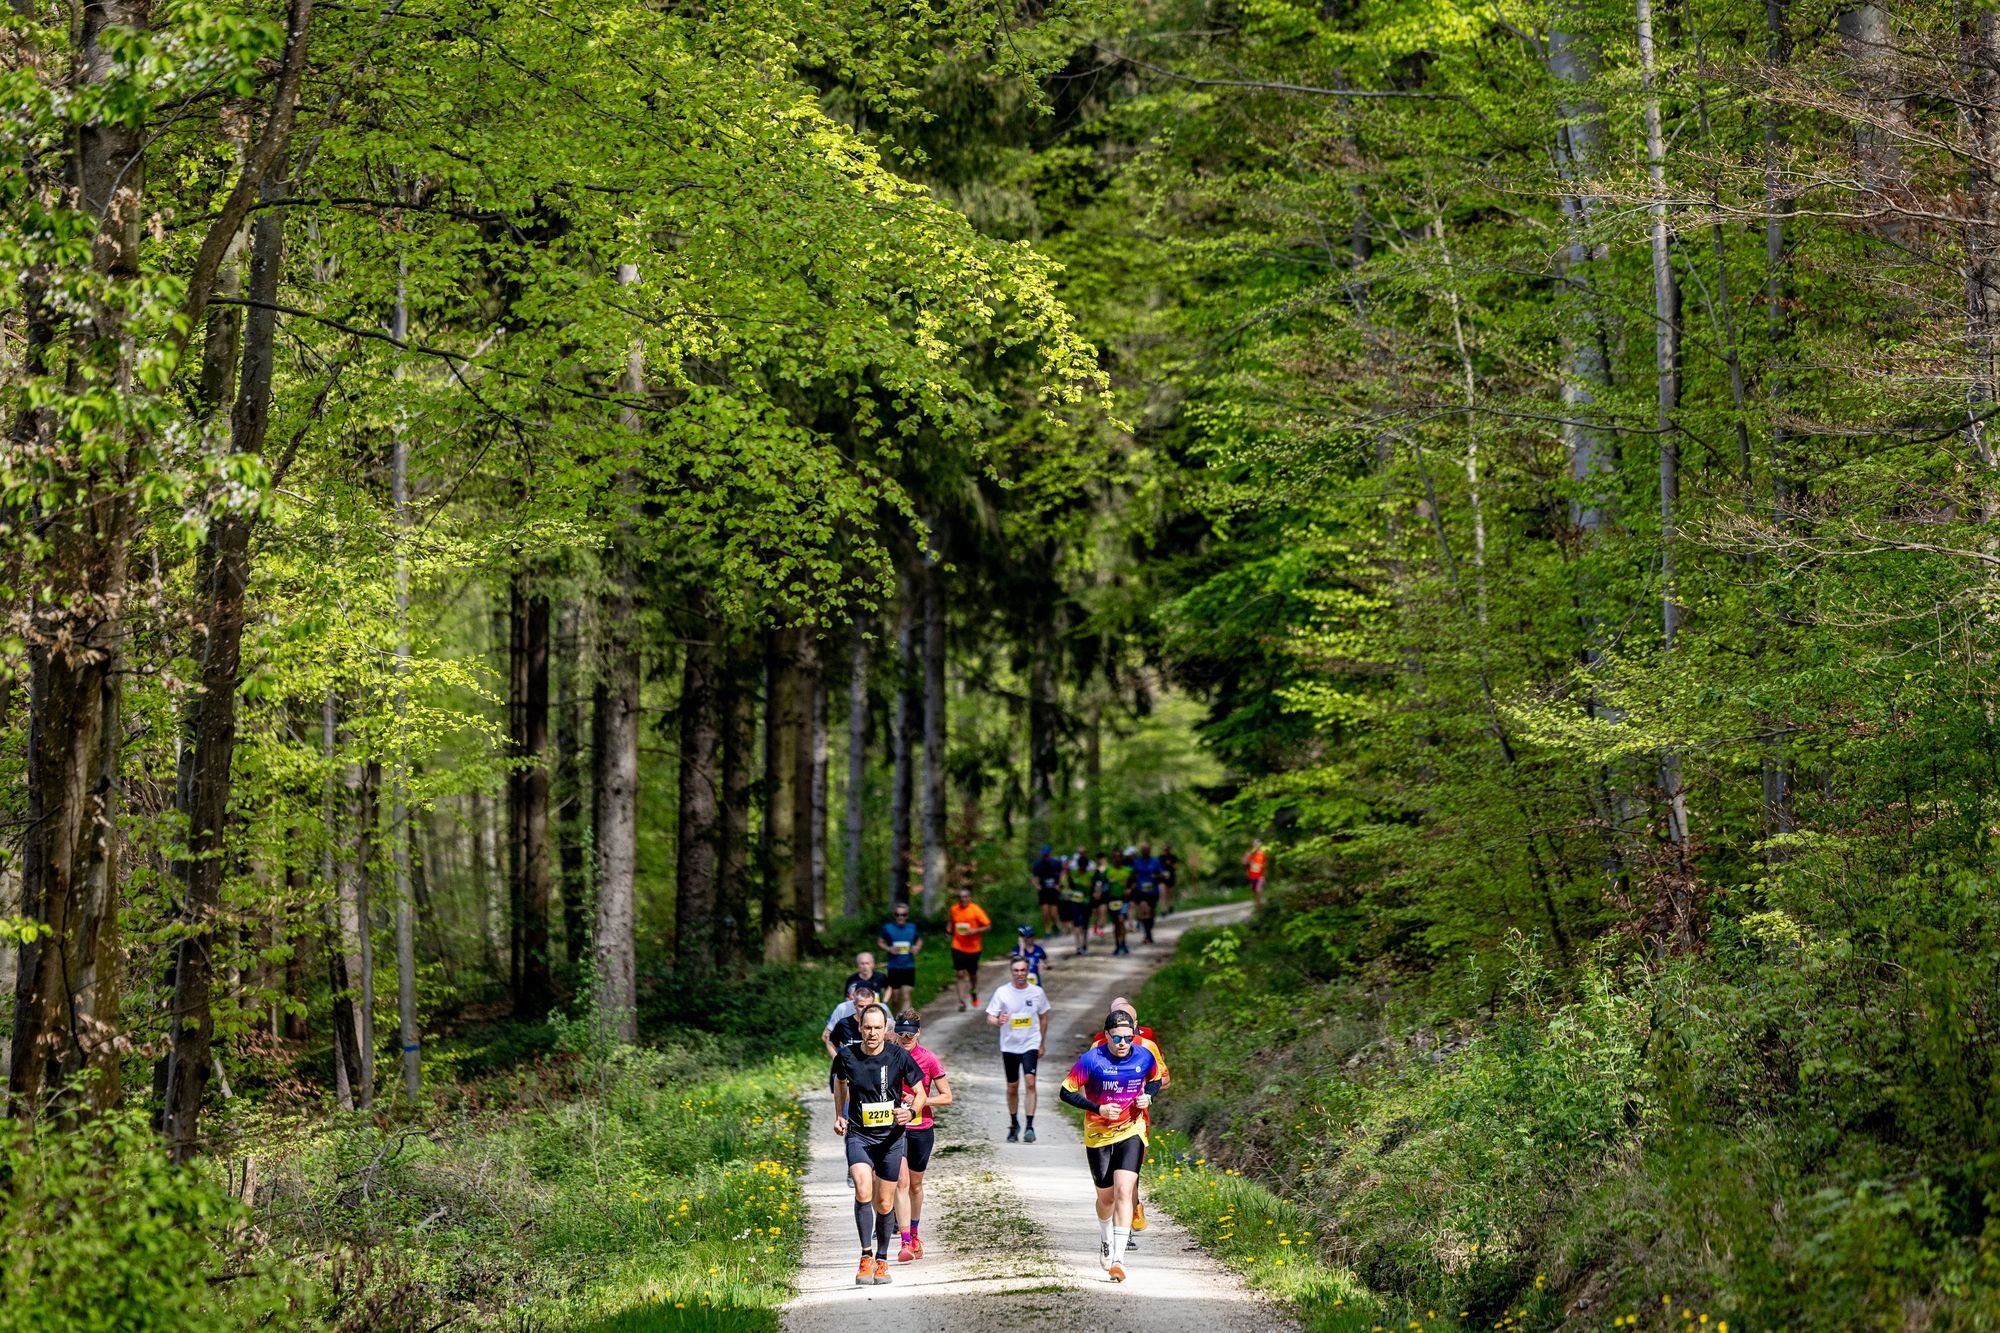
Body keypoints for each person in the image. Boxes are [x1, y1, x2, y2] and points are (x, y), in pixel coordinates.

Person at [1060, 1009, 1161, 1282]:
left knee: (1125, 1192)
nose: (1122, 1044)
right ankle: (1105, 1240)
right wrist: (1098, 1108)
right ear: (1106, 1035)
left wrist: (1148, 1098)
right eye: (1117, 1038)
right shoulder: (1091, 1060)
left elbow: (1156, 1080)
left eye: (1128, 1038)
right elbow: (1065, 1092)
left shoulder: (1144, 1056)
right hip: (1098, 1134)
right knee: (1106, 1199)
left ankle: (1118, 1259)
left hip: (1132, 1129)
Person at [831, 1004, 928, 1285]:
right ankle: (865, 1255)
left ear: (885, 1029)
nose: (872, 1033)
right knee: (863, 1189)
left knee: (885, 1202)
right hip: (859, 1135)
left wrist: (909, 1113)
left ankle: (882, 1260)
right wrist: (840, 1114)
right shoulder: (846, 1056)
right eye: (867, 1027)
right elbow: (840, 1083)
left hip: (891, 1137)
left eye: (877, 1028)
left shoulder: (898, 1055)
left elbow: (920, 1093)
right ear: (859, 1028)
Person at [1089, 995, 1170, 1242]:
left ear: (1136, 1024)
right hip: (1104, 1121)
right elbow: (1082, 1082)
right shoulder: (1097, 1045)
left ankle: (1126, 1227)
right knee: (1109, 1182)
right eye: (1116, 1021)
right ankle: (1118, 1223)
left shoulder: (1147, 1044)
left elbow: (1163, 1079)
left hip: (1136, 1119)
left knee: (1128, 1175)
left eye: (1129, 1022)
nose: (1123, 1028)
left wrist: (1146, 1091)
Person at [891, 1010, 951, 1262]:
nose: (906, 1038)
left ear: (918, 1033)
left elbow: (947, 1096)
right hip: (894, 1128)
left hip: (921, 1128)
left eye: (910, 1034)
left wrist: (921, 1101)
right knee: (901, 1183)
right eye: (901, 1033)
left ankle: (915, 1234)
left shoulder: (928, 1059)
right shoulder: (889, 1056)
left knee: (915, 1185)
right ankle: (904, 1241)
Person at [983, 957, 1050, 1143]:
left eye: (1023, 970)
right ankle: (1014, 1124)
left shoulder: (1037, 992)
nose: (1020, 974)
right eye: (1016, 970)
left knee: (1030, 1082)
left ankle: (1029, 1126)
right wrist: (998, 1021)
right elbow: (990, 1017)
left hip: (1030, 1043)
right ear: (1011, 972)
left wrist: (1041, 1043)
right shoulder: (1002, 992)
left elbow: (1044, 1017)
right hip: (1009, 1045)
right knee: (1012, 1087)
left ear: (1028, 971)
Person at [947, 885, 991, 1011]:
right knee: (960, 973)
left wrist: (975, 930)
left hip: (974, 947)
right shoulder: (954, 909)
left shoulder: (975, 910)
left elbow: (988, 926)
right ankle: (961, 1002)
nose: (963, 900)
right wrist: (949, 929)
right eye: (961, 898)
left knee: (972, 974)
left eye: (965, 897)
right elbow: (951, 922)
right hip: (958, 945)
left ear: (970, 898)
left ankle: (973, 989)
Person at [823, 978, 882, 1060]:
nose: (864, 1009)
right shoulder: (844, 1023)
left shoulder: (880, 1023)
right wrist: (837, 1060)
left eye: (868, 1006)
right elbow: (829, 1040)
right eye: (861, 1006)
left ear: (873, 1004)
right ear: (854, 1004)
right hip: (850, 1068)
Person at [878, 902, 922, 1010]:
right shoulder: (888, 928)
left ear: (907, 915)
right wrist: (889, 949)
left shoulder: (912, 927)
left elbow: (919, 940)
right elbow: (880, 942)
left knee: (906, 995)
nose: (900, 917)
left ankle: (905, 1023)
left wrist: (916, 947)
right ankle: (896, 1020)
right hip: (894, 967)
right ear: (894, 915)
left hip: (908, 966)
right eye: (898, 915)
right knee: (895, 998)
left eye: (903, 915)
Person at [1129, 842, 1164, 945]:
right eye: (1143, 849)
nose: (1145, 851)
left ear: (1150, 850)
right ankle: (1148, 935)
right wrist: (1132, 884)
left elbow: (1162, 875)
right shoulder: (1136, 862)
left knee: (1151, 913)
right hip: (1141, 890)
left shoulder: (1156, 861)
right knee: (1144, 910)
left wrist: (1156, 877)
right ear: (1141, 851)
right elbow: (1131, 874)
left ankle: (1148, 933)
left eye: (1147, 849)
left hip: (1153, 891)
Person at [1031, 844, 1067, 937]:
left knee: (1054, 914)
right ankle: (1047, 931)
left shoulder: (1055, 863)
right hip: (1044, 891)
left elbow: (1062, 874)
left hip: (1053, 890)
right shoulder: (1038, 864)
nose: (1045, 857)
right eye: (1044, 855)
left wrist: (1059, 885)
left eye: (1047, 855)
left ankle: (1055, 925)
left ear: (1050, 854)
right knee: (1045, 913)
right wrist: (1037, 886)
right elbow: (1034, 877)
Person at [1061, 864, 1092, 955]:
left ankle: (1084, 944)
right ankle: (1078, 945)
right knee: (1077, 923)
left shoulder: (1090, 875)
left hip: (1086, 903)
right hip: (1075, 902)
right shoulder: (1072, 875)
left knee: (1085, 925)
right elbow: (1067, 888)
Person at [1245, 838, 1269, 903]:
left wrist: (1262, 867)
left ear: (1260, 844)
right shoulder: (1249, 853)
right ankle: (1256, 903)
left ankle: (1259, 904)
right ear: (1252, 844)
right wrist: (1248, 860)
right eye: (1255, 843)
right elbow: (1245, 863)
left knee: (1258, 889)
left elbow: (1266, 864)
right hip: (1252, 875)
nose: (1256, 845)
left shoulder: (1262, 853)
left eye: (1257, 843)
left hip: (1260, 875)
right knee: (1253, 890)